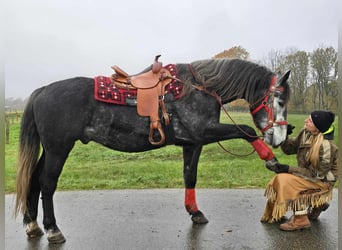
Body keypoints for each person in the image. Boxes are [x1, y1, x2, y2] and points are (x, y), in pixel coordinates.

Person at [261, 110, 338, 231]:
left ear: (318, 126)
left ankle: (301, 220)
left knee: (286, 181)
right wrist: (284, 136)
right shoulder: (306, 133)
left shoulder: (326, 146)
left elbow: (316, 175)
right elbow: (289, 149)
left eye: (310, 120)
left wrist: (287, 169)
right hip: (308, 177)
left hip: (323, 182)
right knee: (280, 178)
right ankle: (316, 203)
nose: (305, 121)